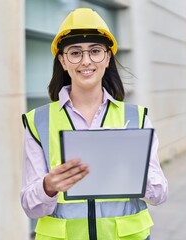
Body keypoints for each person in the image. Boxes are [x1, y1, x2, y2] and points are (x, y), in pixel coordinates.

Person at [21, 8, 168, 240]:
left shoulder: (136, 118)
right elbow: (31, 206)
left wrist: (134, 170)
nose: (86, 61)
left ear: (108, 57)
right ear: (63, 61)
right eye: (75, 53)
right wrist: (48, 186)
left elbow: (160, 194)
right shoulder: (38, 121)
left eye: (95, 51)